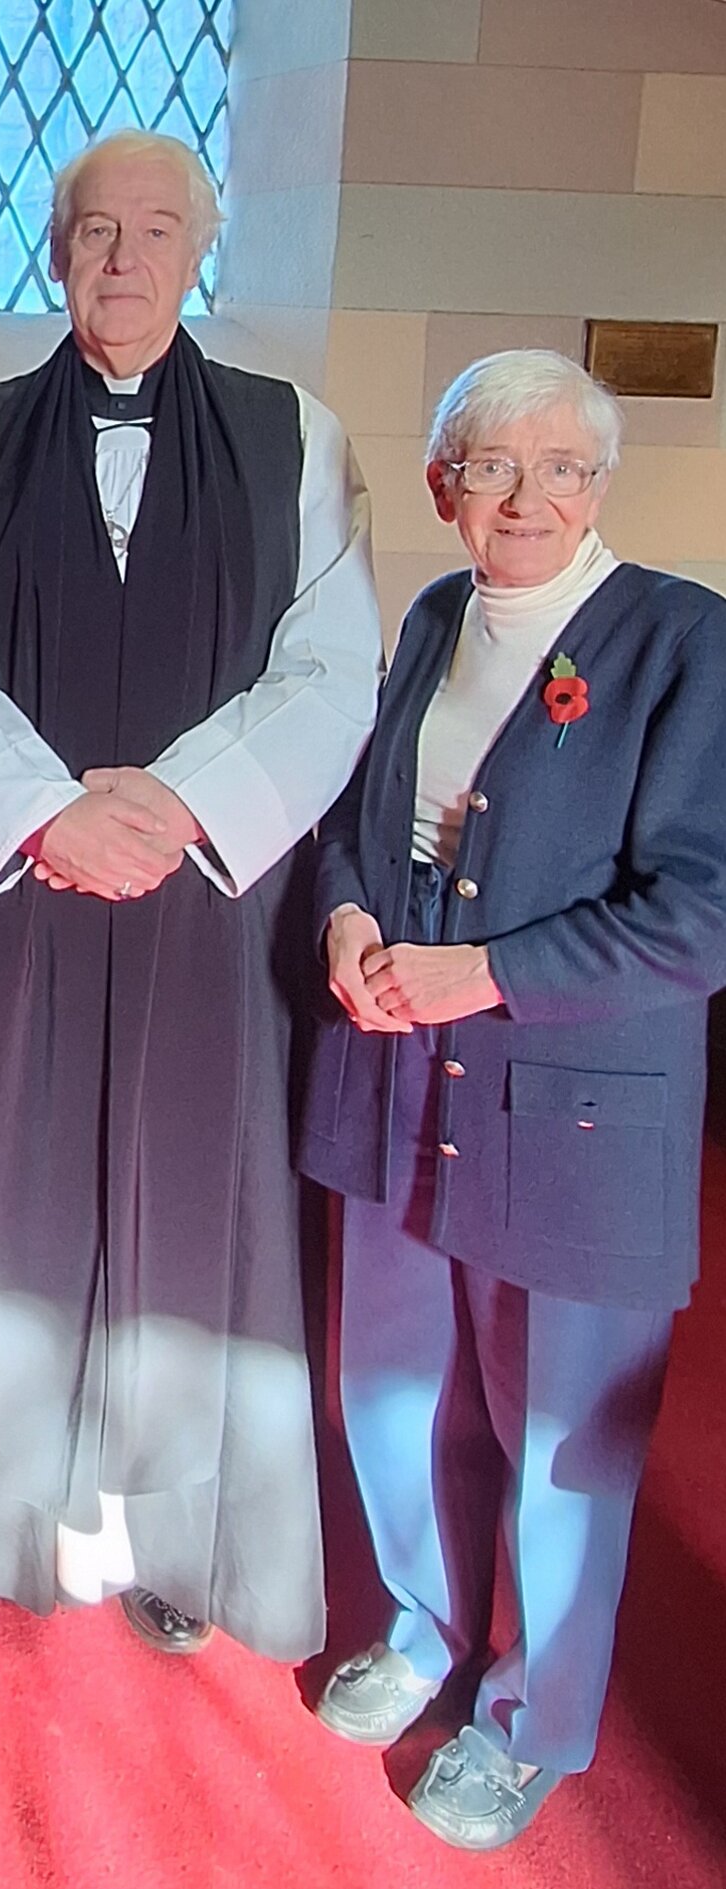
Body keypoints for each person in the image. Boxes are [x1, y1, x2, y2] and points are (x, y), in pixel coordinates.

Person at [0, 128, 382, 1661]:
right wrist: (48, 809)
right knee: (2, 1170)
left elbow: (332, 664)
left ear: (199, 251)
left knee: (185, 1186)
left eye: (154, 230)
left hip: (205, 896)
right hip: (19, 886)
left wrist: (179, 802)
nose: (122, 259)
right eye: (93, 232)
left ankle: (172, 1528)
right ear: (53, 248)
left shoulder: (295, 436)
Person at [301, 349, 726, 1850]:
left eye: (559, 467)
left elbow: (700, 914)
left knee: (559, 1425)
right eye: (491, 464)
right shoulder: (429, 617)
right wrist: (348, 922)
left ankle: (530, 1713)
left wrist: (482, 975)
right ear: (444, 487)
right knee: (397, 1384)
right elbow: (355, 828)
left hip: (571, 1100)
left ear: (600, 486)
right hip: (393, 1063)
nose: (526, 495)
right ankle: (421, 1623)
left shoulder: (686, 642)